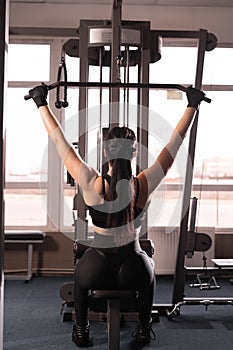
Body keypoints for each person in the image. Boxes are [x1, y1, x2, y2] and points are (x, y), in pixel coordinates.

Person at [28, 84, 206, 347]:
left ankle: (81, 329)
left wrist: (40, 103)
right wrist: (192, 106)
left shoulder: (91, 181)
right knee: (150, 269)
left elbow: (58, 140)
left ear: (105, 151)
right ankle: (144, 329)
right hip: (133, 269)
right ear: (134, 151)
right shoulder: (143, 184)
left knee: (80, 274)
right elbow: (175, 143)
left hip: (95, 269)